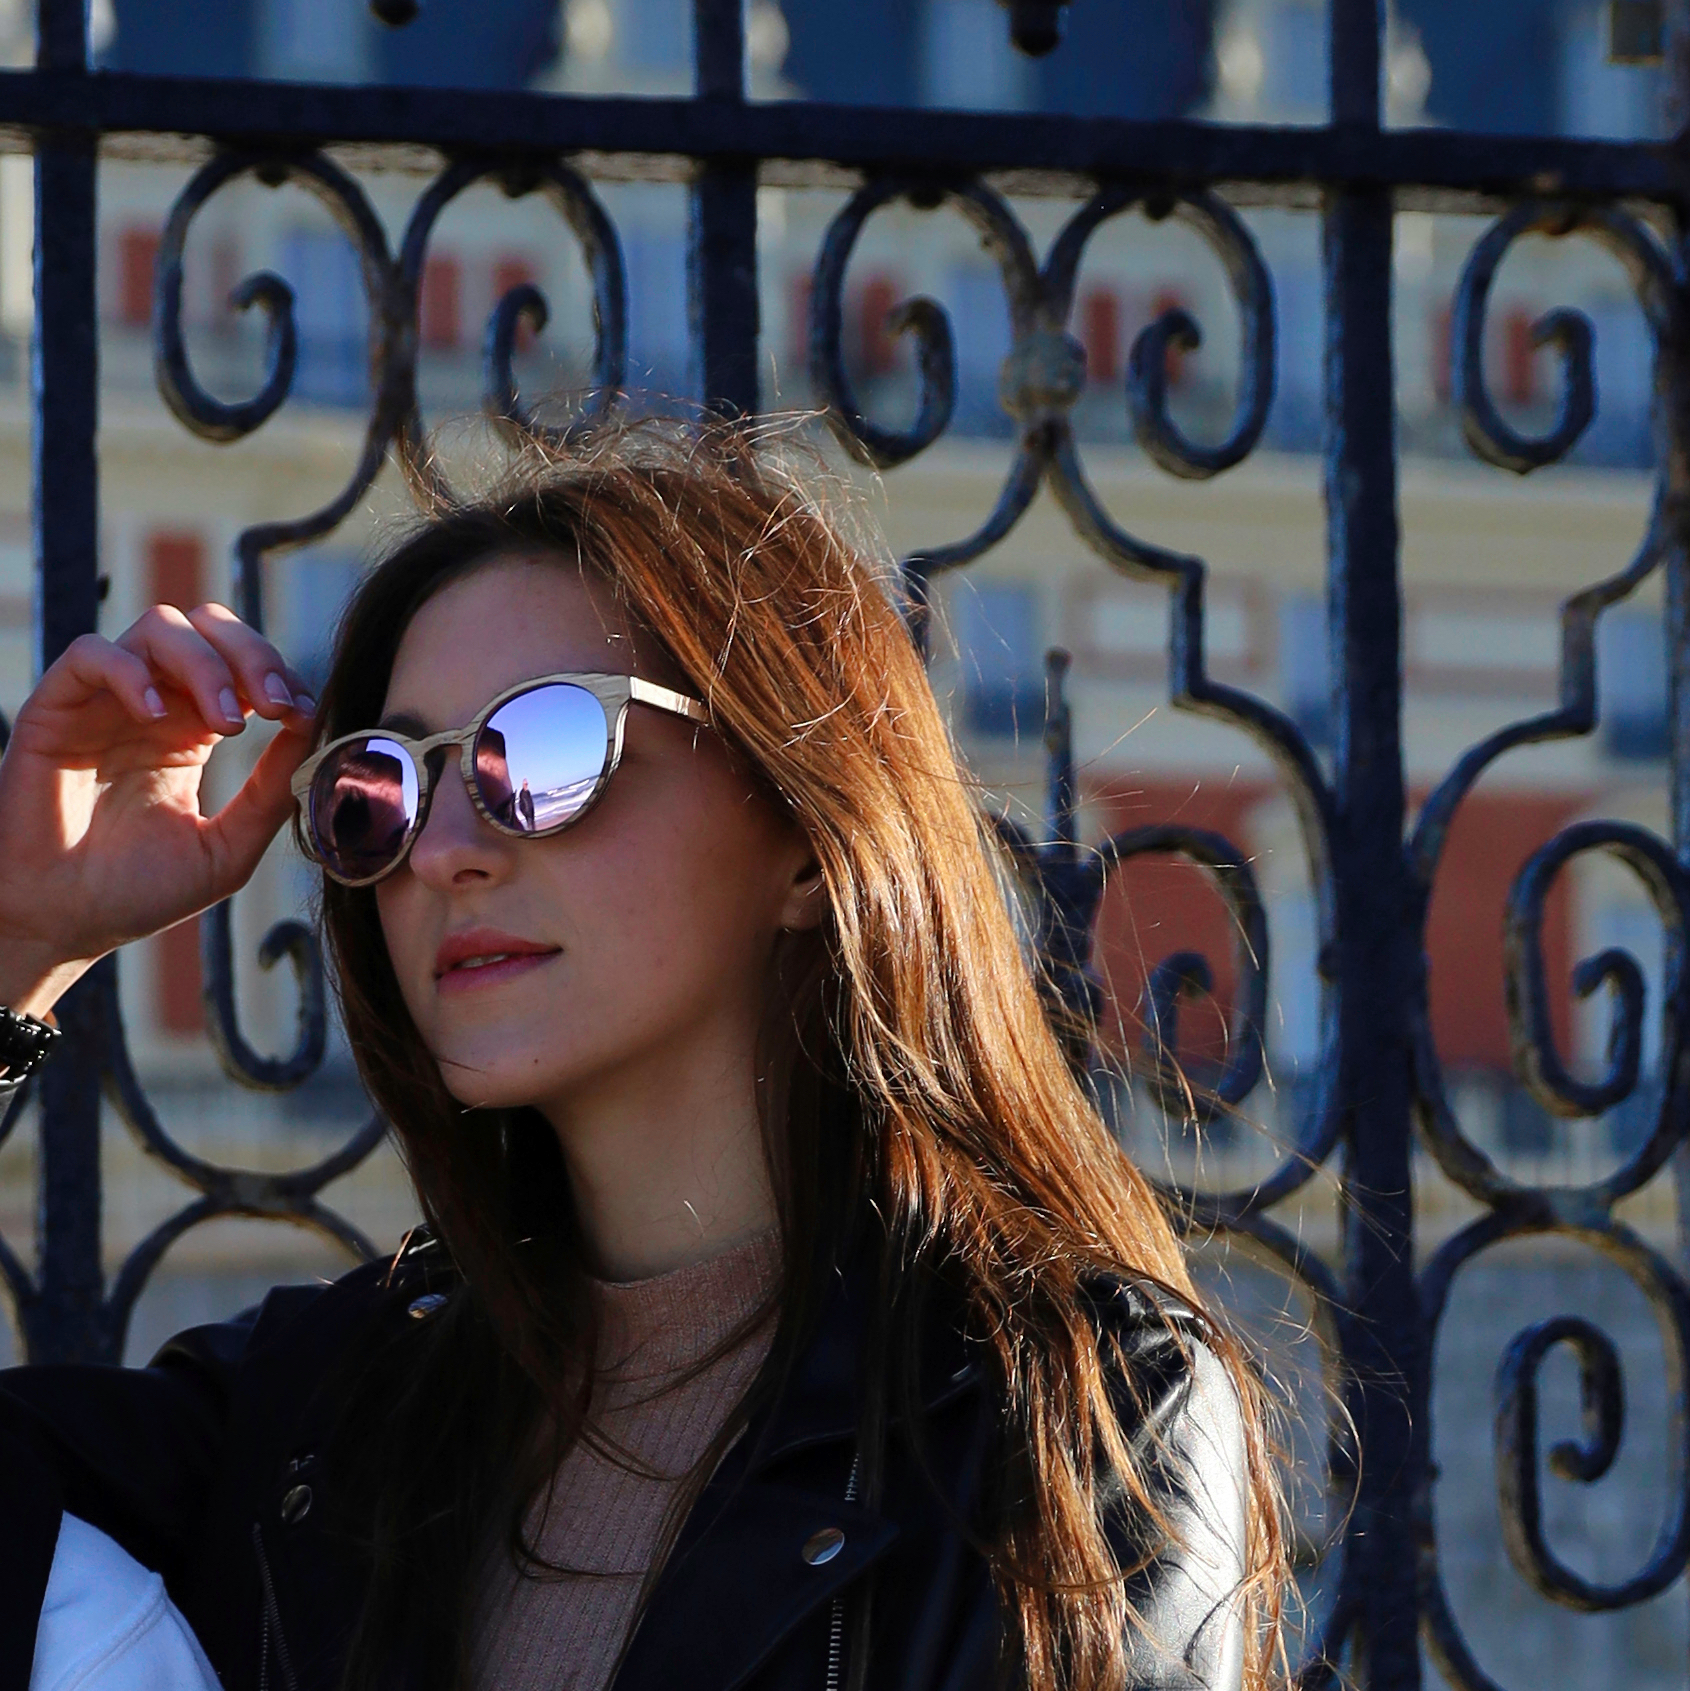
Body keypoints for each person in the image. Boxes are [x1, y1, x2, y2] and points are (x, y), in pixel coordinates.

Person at [0, 418, 1284, 1691]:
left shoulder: (1067, 1405)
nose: (447, 846)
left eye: (547, 748)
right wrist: (21, 939)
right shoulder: (316, 1420)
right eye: (385, 782)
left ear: (800, 829)